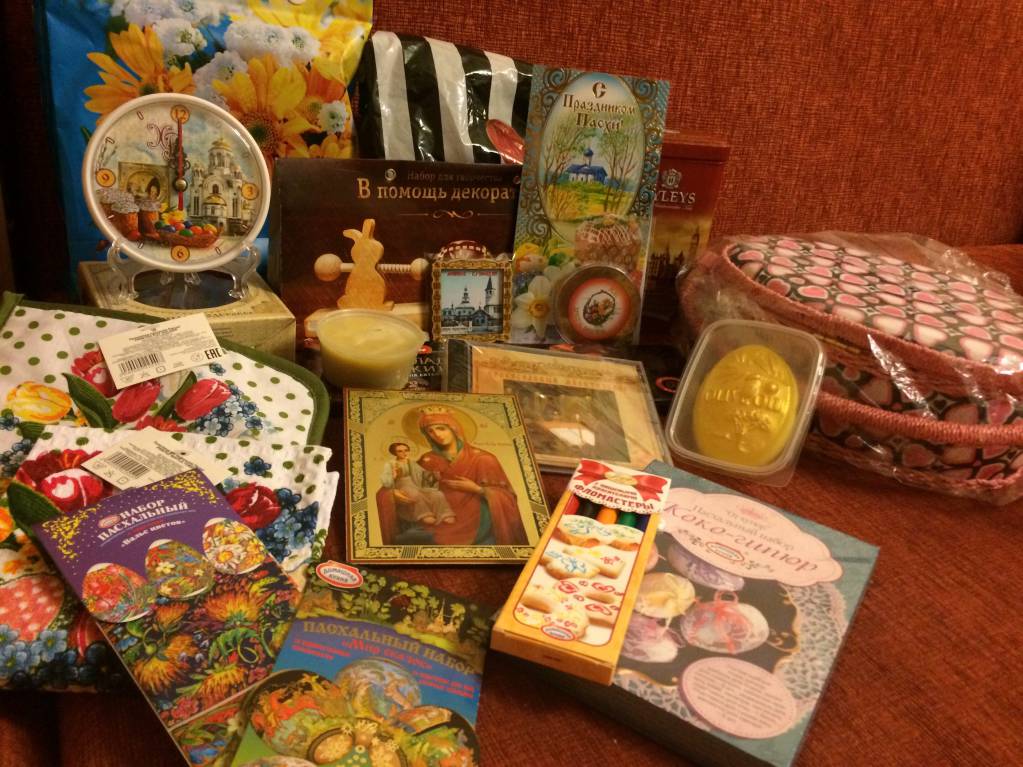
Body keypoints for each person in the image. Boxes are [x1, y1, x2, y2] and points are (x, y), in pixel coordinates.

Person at [375, 408, 528, 546]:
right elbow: (409, 484)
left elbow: (507, 498)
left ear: (454, 429)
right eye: (430, 431)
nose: (437, 435)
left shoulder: (484, 459)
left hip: (477, 524)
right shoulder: (427, 460)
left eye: (441, 428)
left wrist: (478, 489)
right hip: (435, 520)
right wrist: (392, 494)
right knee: (406, 539)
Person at [379, 441, 455, 528]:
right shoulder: (391, 464)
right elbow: (386, 480)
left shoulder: (411, 462)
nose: (404, 453)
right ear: (394, 453)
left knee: (436, 494)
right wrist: (394, 475)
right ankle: (425, 515)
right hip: (402, 485)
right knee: (414, 494)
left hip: (416, 483)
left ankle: (445, 514)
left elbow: (422, 473)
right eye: (400, 451)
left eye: (406, 450)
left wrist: (434, 474)